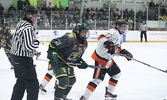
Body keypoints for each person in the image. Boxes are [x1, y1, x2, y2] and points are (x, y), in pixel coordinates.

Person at [80, 20, 133, 100]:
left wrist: (123, 53)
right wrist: (107, 43)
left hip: (108, 60)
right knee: (97, 80)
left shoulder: (120, 36)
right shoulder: (113, 32)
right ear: (118, 27)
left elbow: (114, 50)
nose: (125, 28)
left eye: (125, 27)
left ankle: (109, 93)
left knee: (117, 74)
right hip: (101, 59)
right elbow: (101, 37)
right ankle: (84, 97)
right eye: (123, 27)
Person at [43, 23, 89, 100]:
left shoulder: (85, 43)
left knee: (72, 80)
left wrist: (81, 62)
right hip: (59, 61)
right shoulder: (70, 38)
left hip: (68, 62)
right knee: (64, 80)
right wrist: (53, 54)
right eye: (83, 32)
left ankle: (63, 96)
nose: (85, 34)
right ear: (77, 31)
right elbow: (53, 43)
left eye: (86, 32)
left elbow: (76, 55)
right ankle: (57, 98)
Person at [10, 6, 40, 100]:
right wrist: (36, 43)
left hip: (15, 57)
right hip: (23, 60)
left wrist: (33, 51)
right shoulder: (27, 28)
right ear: (29, 15)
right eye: (34, 15)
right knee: (33, 85)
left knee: (21, 82)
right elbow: (28, 46)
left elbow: (19, 41)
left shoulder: (21, 23)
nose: (36, 18)